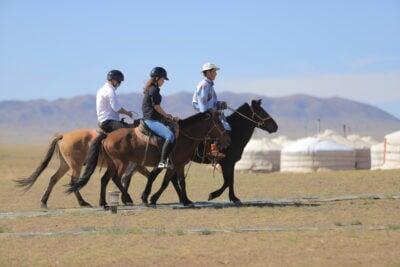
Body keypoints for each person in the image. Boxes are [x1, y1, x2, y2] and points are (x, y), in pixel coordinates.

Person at [142, 67, 179, 169]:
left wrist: (169, 117)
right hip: (150, 120)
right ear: (157, 78)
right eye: (163, 79)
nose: (163, 82)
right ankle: (162, 161)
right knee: (170, 135)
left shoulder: (153, 89)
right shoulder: (153, 89)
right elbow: (156, 106)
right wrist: (166, 115)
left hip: (154, 118)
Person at [192, 62, 231, 158]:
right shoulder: (204, 85)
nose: (216, 74)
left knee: (226, 125)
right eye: (214, 72)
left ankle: (218, 147)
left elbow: (213, 103)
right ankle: (212, 149)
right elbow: (202, 105)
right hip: (206, 114)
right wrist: (209, 115)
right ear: (208, 73)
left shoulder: (209, 86)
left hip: (211, 112)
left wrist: (220, 104)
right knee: (219, 126)